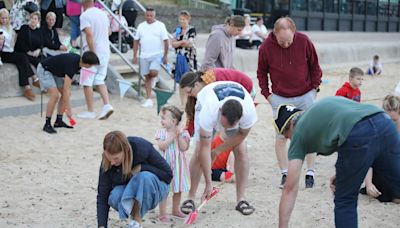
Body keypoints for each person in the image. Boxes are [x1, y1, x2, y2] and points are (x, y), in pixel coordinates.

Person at [275, 96, 400, 228]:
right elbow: (354, 127)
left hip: (357, 133)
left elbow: (290, 188)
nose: (290, 140)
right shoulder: (318, 112)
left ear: (292, 125)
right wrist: (345, 172)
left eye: (288, 136)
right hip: (384, 123)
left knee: (345, 200)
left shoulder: (299, 132)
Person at [257, 16, 322, 189]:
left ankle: (310, 173)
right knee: (280, 137)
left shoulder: (304, 41)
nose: (286, 45)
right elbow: (261, 73)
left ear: (294, 32)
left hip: (306, 94)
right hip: (279, 97)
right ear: (274, 34)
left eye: (288, 41)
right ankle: (285, 173)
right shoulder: (265, 47)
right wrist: (267, 95)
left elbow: (315, 66)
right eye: (282, 42)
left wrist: (315, 88)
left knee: (309, 133)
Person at [179, 81, 257, 216]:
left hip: (233, 105)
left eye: (229, 127)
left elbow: (241, 135)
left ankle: (241, 199)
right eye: (223, 125)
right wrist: (209, 183)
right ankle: (190, 198)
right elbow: (204, 149)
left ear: (241, 117)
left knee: (241, 150)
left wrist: (217, 151)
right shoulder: (208, 111)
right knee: (198, 151)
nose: (224, 130)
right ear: (220, 113)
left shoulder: (249, 111)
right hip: (207, 101)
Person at [97, 131, 172, 228]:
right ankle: (135, 221)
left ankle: (137, 221)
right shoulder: (107, 162)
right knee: (114, 195)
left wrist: (142, 168)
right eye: (109, 158)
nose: (112, 162)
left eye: (116, 158)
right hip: (131, 191)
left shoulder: (140, 147)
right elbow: (102, 195)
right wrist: (101, 226)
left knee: (143, 177)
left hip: (156, 189)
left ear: (125, 150)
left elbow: (168, 175)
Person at [37, 51, 99, 134]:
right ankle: (47, 124)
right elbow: (66, 88)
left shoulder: (79, 62)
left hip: (55, 72)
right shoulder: (72, 64)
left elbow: (67, 88)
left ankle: (58, 121)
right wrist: (68, 110)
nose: (92, 67)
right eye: (91, 65)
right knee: (55, 96)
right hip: (45, 69)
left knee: (65, 94)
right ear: (87, 64)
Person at [180, 68, 254, 136]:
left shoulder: (214, 80)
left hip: (245, 88)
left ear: (196, 85)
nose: (189, 95)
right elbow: (192, 116)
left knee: (230, 127)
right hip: (230, 96)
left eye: (189, 92)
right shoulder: (196, 95)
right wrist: (185, 134)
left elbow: (227, 103)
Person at [77, 0, 114, 120]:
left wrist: (92, 53)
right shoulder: (102, 13)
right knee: (99, 79)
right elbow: (109, 31)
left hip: (93, 51)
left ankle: (90, 111)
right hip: (105, 51)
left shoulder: (85, 15)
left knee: (87, 82)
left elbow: (89, 34)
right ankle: (107, 104)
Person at [360, 95, 400, 203]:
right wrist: (368, 184)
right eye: (388, 120)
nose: (391, 124)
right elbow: (369, 160)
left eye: (395, 120)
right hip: (383, 172)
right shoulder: (378, 130)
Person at [155, 105, 190, 221]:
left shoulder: (183, 133)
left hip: (179, 167)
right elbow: (161, 146)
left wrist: (178, 135)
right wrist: (172, 137)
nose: (162, 121)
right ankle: (162, 213)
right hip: (165, 166)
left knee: (178, 189)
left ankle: (175, 210)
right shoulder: (161, 133)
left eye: (164, 118)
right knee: (165, 189)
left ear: (174, 121)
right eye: (161, 118)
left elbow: (184, 147)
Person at [0, 8, 40, 101]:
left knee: (21, 61)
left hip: (10, 51)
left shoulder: (10, 28)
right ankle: (34, 78)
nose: (4, 20)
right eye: (2, 18)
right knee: (22, 57)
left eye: (6, 18)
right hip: (2, 53)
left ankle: (27, 88)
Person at [133, 7, 169, 108]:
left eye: (151, 16)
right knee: (147, 77)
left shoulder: (160, 25)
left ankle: (155, 78)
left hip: (156, 54)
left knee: (153, 73)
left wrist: (165, 56)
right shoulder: (141, 26)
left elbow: (166, 41)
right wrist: (134, 55)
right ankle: (148, 99)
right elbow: (136, 41)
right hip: (144, 55)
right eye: (147, 15)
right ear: (145, 15)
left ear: (154, 16)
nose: (149, 17)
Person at [171, 10, 197, 106]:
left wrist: (179, 43)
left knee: (190, 80)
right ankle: (183, 103)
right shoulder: (177, 30)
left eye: (184, 19)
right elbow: (173, 44)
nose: (182, 21)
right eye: (180, 19)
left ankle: (190, 103)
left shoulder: (192, 29)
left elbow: (189, 43)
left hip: (188, 58)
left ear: (188, 20)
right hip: (178, 57)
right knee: (181, 81)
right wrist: (182, 42)